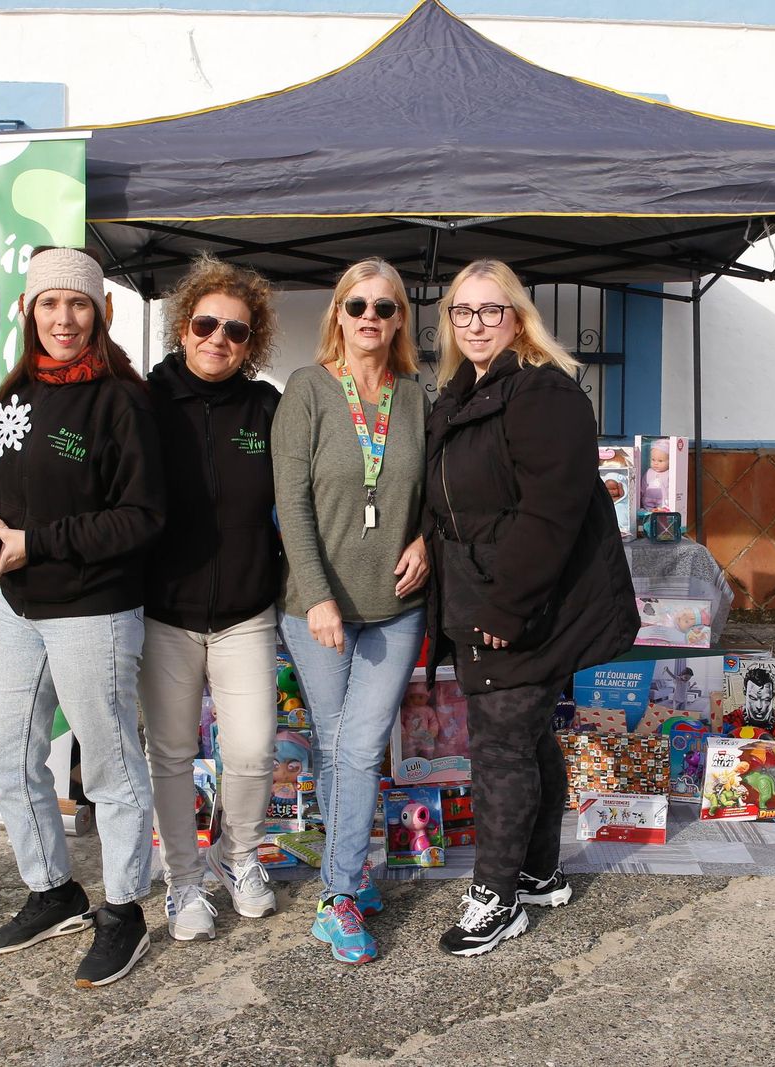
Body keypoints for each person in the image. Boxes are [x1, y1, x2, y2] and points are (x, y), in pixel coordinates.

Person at [0, 246, 164, 987]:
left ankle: (124, 910)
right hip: (19, 606)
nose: (64, 317)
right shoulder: (15, 392)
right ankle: (53, 888)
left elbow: (143, 517)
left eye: (78, 304)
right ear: (29, 311)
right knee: (8, 758)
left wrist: (33, 542)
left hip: (93, 610)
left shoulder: (122, 401)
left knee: (108, 766)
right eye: (49, 303)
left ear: (100, 314)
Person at [422, 259, 637, 957]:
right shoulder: (460, 393)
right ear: (449, 322)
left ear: (518, 318)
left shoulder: (543, 393)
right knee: (528, 737)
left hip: (522, 602)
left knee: (500, 745)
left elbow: (550, 514)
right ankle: (541, 872)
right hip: (485, 591)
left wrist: (506, 607)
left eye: (491, 310)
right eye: (463, 311)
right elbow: (453, 500)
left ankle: (497, 896)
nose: (476, 323)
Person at [271, 257, 430, 965]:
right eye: (357, 305)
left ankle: (339, 888)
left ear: (400, 320)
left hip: (397, 604)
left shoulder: (418, 398)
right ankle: (343, 890)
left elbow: (438, 488)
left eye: (385, 307)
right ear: (337, 312)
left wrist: (428, 536)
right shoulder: (305, 389)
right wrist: (318, 595)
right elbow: (292, 504)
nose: (371, 317)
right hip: (319, 608)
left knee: (354, 747)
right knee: (344, 747)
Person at [139, 254, 283, 943]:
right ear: (182, 325)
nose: (218, 338)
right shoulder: (143, 402)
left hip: (246, 614)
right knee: (169, 753)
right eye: (205, 323)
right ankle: (182, 883)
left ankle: (240, 857)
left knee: (253, 748)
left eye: (236, 330)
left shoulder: (267, 407)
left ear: (251, 343)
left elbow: (316, 494)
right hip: (162, 613)